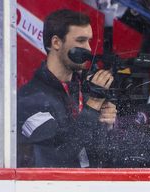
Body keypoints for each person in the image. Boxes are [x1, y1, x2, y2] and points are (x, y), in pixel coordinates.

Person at [17, 9, 117, 168]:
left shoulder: (84, 92)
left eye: (89, 41)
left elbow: (101, 157)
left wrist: (107, 126)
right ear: (56, 42)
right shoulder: (28, 99)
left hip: (92, 189)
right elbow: (61, 153)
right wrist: (93, 107)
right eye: (81, 41)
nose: (89, 49)